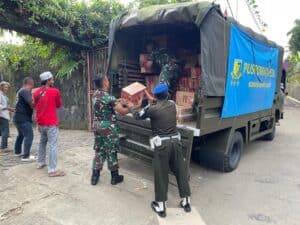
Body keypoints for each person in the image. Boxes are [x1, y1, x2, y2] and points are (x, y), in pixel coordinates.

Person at [132, 83, 191, 218]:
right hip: (176, 142)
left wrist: (138, 104)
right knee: (180, 171)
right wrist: (150, 96)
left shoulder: (152, 109)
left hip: (162, 145)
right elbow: (158, 102)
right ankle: (186, 201)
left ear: (156, 96)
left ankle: (161, 206)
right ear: (167, 94)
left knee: (161, 173)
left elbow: (137, 115)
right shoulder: (172, 104)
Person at [91, 74, 131, 186]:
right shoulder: (109, 97)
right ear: (104, 83)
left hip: (97, 126)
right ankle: (115, 177)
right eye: (107, 80)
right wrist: (130, 106)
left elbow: (107, 103)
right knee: (111, 150)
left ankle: (94, 177)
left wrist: (117, 100)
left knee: (99, 150)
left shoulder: (95, 95)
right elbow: (122, 111)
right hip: (108, 127)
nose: (108, 82)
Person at [33, 71, 64, 177]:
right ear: (48, 81)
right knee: (52, 145)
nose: (53, 80)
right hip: (51, 123)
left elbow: (36, 106)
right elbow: (59, 105)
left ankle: (40, 162)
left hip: (41, 122)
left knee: (42, 142)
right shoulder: (55, 91)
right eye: (52, 79)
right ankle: (52, 170)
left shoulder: (36, 92)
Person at [13, 77, 35, 161]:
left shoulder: (20, 91)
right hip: (23, 118)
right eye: (32, 85)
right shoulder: (25, 91)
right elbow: (31, 103)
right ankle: (26, 156)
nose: (33, 87)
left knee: (21, 135)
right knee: (29, 135)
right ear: (30, 83)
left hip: (17, 117)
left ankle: (17, 152)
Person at [0, 81, 14, 153]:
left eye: (7, 87)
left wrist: (10, 109)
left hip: (4, 114)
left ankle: (3, 146)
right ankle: (3, 147)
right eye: (5, 87)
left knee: (3, 131)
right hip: (2, 115)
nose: (6, 88)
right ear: (1, 87)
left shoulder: (4, 95)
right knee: (5, 131)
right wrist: (7, 108)